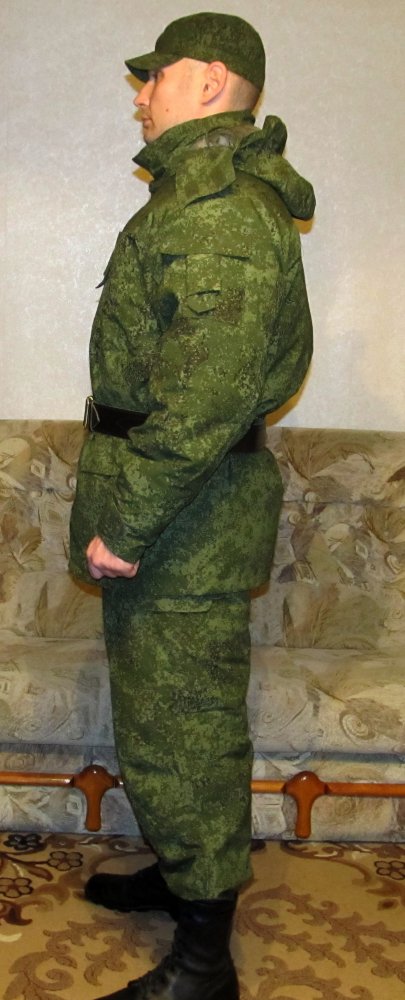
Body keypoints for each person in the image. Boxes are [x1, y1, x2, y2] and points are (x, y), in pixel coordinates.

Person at [69, 11, 315, 1000]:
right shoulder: (193, 198)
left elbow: (202, 400)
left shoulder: (219, 211)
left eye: (155, 76)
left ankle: (205, 963)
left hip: (181, 520)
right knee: (161, 718)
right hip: (180, 512)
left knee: (186, 730)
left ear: (209, 81)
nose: (141, 95)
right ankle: (184, 878)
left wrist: (126, 523)